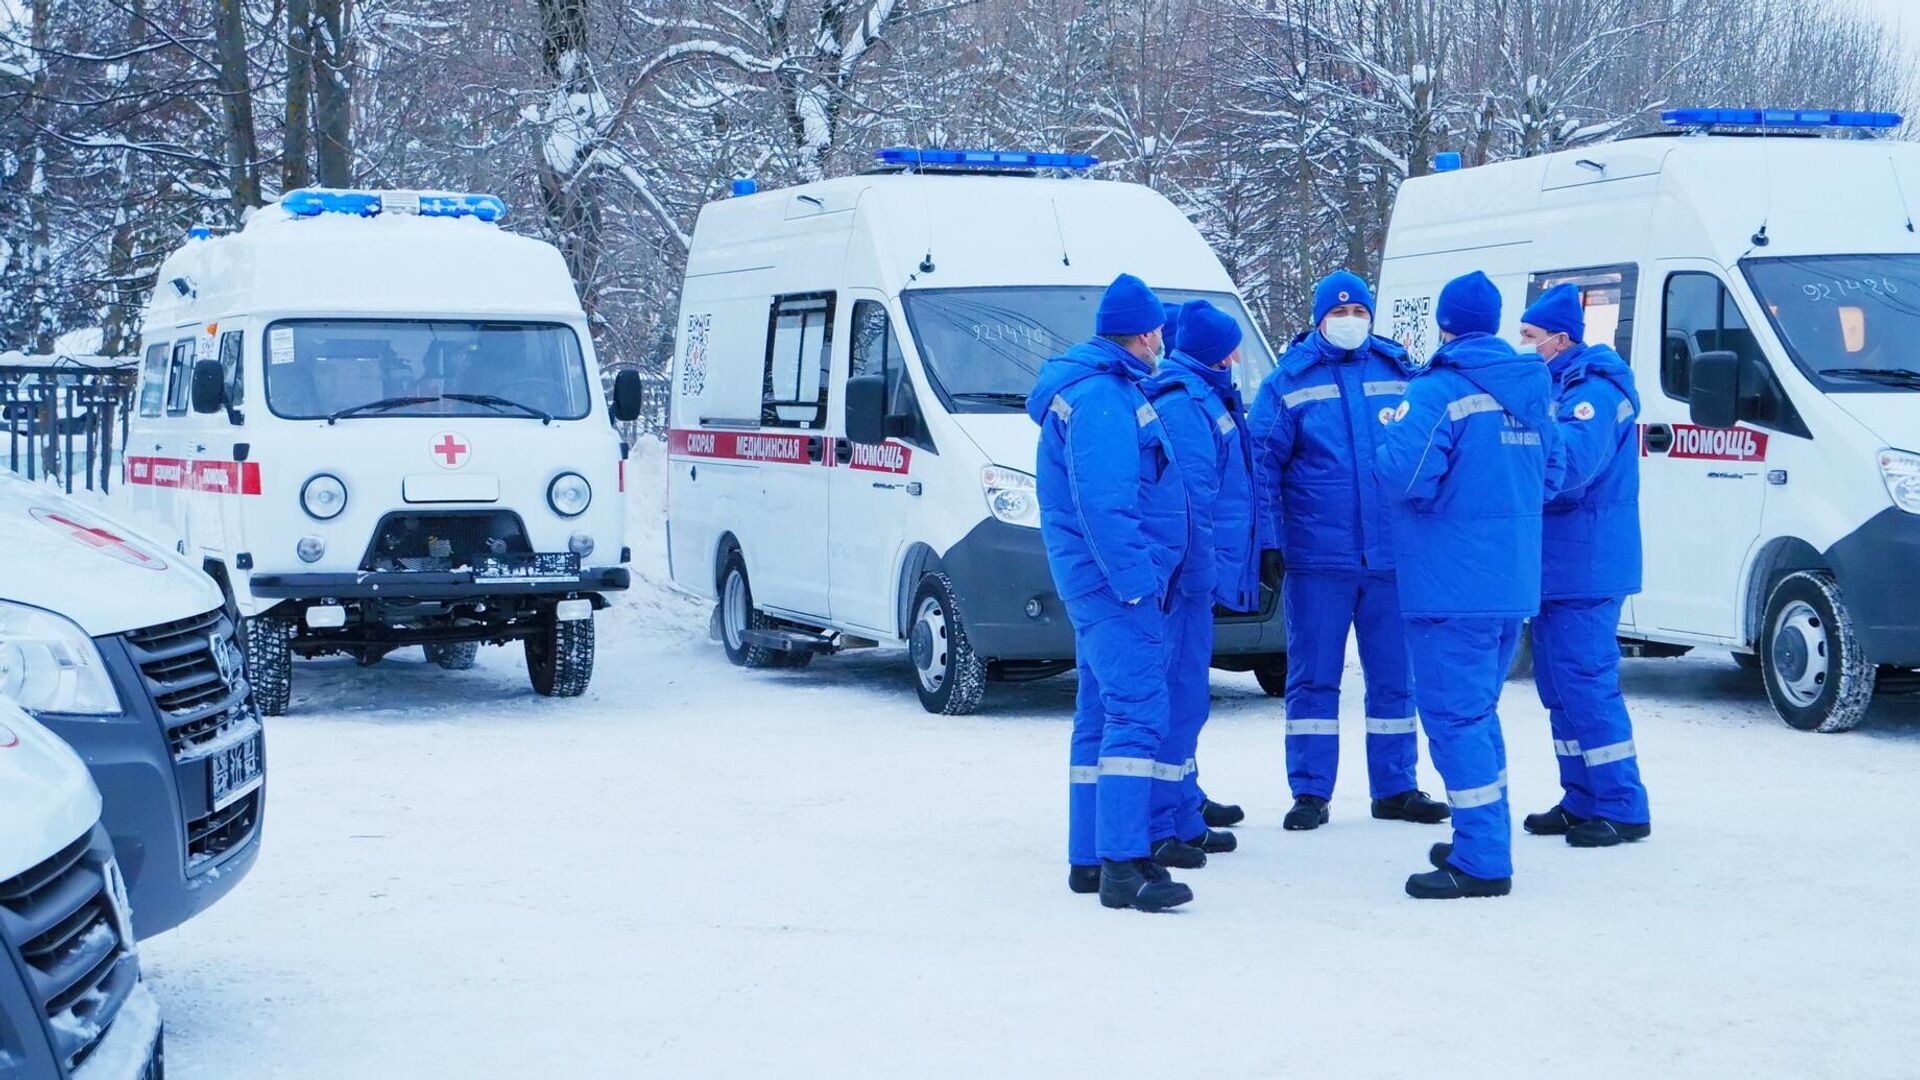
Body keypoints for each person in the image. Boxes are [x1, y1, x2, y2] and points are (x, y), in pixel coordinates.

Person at [1248, 270, 1448, 832]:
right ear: (1318, 320)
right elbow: (1262, 465)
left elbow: (1425, 449)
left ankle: (1396, 787)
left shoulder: (1399, 371)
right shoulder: (1289, 382)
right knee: (1313, 678)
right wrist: (1268, 542)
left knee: (1394, 677)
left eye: (1360, 312)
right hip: (1318, 561)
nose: (1351, 322)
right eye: (1341, 314)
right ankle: (1310, 791)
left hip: (1390, 557)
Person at [1376, 270, 1552, 899]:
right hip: (1510, 581)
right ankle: (1484, 836)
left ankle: (1481, 861)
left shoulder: (1439, 391)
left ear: (1444, 326)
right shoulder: (1532, 389)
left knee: (1455, 719)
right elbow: (1552, 474)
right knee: (1477, 714)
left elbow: (1404, 474)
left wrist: (1384, 436)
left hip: (1450, 583)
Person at [1025, 273, 1192, 912]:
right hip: (1114, 589)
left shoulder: (1105, 386)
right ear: (1146, 332)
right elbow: (1104, 504)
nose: (1160, 343)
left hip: (1100, 584)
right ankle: (1124, 866)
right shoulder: (1102, 397)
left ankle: (1091, 857)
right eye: (1157, 332)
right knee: (1137, 713)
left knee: (1100, 715)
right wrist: (1136, 584)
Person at [1517, 283, 1652, 847]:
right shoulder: (1555, 384)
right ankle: (1580, 797)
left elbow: (1570, 467)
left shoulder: (1593, 393)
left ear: (1559, 339)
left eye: (1528, 336)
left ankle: (1622, 804)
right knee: (1558, 686)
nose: (1521, 345)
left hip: (1585, 566)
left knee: (1586, 684)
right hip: (1556, 565)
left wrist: (1516, 446)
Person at [1140, 300, 1260, 867]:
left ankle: (1182, 810)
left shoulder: (1203, 394)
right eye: (1232, 347)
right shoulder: (1187, 403)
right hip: (1184, 579)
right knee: (1177, 697)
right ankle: (1162, 822)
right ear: (1217, 352)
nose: (1238, 356)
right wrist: (1200, 574)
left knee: (1187, 698)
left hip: (1194, 575)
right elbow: (1190, 505)